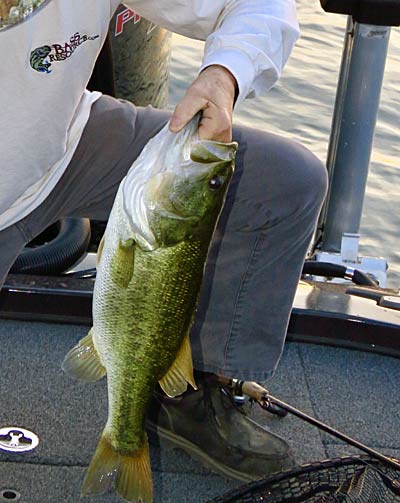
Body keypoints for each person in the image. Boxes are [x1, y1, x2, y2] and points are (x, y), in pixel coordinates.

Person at [0, 0, 328, 483]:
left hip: (63, 144)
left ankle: (185, 394)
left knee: (287, 182)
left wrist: (223, 75)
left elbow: (260, 5)